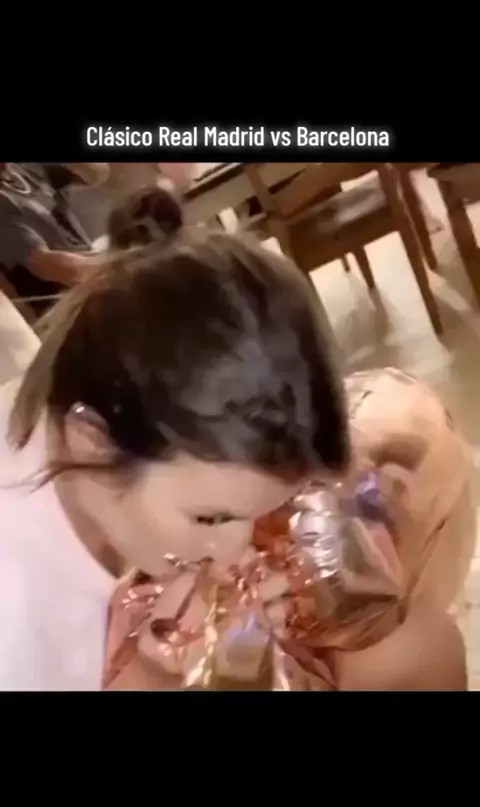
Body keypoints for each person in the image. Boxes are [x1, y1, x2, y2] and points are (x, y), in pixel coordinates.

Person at [0, 191, 472, 690]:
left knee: (419, 643)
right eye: (211, 518)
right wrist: (148, 678)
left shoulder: (111, 465)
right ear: (92, 442)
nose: (234, 554)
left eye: (258, 515)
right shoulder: (17, 616)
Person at [0, 163, 109, 316]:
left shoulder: (27, 170)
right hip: (70, 307)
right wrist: (111, 269)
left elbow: (95, 173)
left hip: (93, 270)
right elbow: (45, 263)